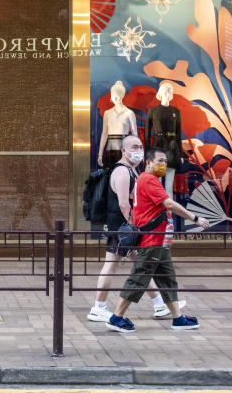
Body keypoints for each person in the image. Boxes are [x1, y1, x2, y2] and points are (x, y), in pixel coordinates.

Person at [105, 147, 210, 333]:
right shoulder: (149, 180)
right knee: (138, 279)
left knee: (168, 279)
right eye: (159, 161)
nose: (163, 164)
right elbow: (168, 203)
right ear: (148, 162)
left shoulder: (145, 180)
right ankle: (116, 318)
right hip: (152, 241)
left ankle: (178, 318)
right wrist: (195, 219)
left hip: (160, 242)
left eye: (165, 162)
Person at [87, 135, 179, 322]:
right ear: (123, 150)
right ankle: (98, 307)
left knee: (142, 264)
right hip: (122, 228)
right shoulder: (122, 171)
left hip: (126, 229)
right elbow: (123, 203)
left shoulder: (131, 170)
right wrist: (134, 226)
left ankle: (160, 304)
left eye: (140, 146)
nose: (138, 150)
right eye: (134, 147)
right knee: (112, 264)